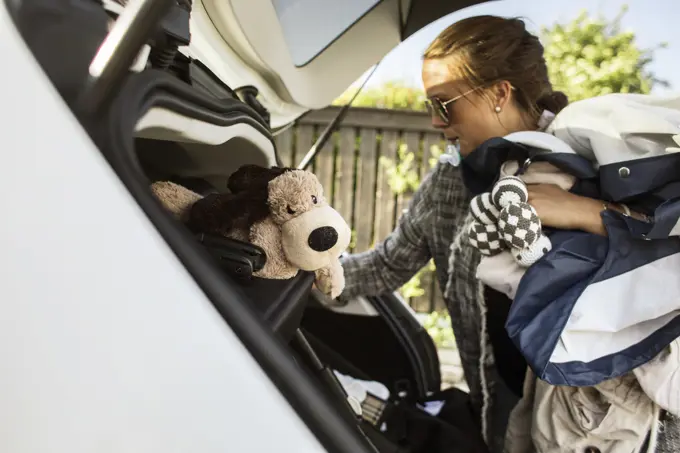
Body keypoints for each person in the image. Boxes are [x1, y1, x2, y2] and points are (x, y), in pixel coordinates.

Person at [337, 15, 679, 453]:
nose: (436, 122)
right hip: (500, 404)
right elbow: (388, 264)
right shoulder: (447, 186)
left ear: (499, 93)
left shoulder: (599, 149)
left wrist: (590, 212)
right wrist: (310, 271)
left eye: (444, 104)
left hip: (605, 423)